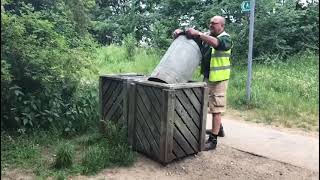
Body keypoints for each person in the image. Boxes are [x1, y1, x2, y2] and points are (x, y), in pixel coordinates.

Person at [173, 16, 233, 151]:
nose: (211, 24)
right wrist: (179, 33)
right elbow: (193, 40)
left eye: (214, 23)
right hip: (208, 77)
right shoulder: (207, 37)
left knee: (216, 108)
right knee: (205, 104)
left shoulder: (226, 38)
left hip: (220, 79)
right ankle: (219, 129)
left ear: (222, 26)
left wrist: (199, 34)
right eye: (210, 22)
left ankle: (213, 140)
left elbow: (217, 44)